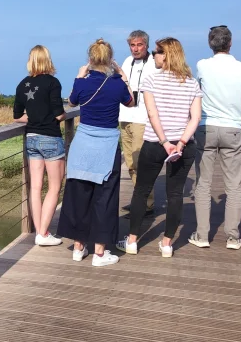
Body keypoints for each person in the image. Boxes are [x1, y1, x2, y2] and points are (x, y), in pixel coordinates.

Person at [117, 38, 202, 258]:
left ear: (166, 55)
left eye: (156, 52)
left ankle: (132, 241)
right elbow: (196, 118)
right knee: (175, 194)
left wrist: (165, 142)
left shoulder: (151, 81)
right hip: (183, 147)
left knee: (141, 191)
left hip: (156, 145)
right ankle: (166, 244)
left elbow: (152, 115)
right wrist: (181, 142)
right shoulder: (191, 83)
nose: (153, 55)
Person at [57, 39, 135, 267]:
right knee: (104, 198)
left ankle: (79, 247)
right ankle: (100, 253)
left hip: (82, 144)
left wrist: (80, 76)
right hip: (107, 146)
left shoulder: (83, 82)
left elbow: (71, 102)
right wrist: (122, 74)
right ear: (110, 59)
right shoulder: (116, 83)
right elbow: (131, 103)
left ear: (90, 59)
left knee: (79, 195)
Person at [189, 26, 241, 250]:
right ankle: (232, 237)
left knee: (203, 184)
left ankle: (202, 235)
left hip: (207, 127)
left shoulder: (202, 65)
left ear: (211, 44)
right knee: (233, 186)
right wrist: (238, 107)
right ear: (231, 43)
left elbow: (195, 93)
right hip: (233, 129)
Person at [13, 45, 65, 246]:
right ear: (47, 60)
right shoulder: (53, 82)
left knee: (35, 187)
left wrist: (33, 116)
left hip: (31, 137)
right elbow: (59, 113)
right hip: (50, 137)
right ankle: (43, 233)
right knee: (54, 186)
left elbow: (17, 117)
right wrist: (56, 116)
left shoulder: (22, 84)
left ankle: (39, 232)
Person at [119, 30, 161, 217]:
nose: (135, 49)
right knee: (129, 163)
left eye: (139, 45)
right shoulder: (127, 62)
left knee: (139, 163)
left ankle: (145, 203)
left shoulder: (154, 62)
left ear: (147, 45)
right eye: (132, 45)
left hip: (143, 119)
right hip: (125, 116)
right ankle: (140, 200)